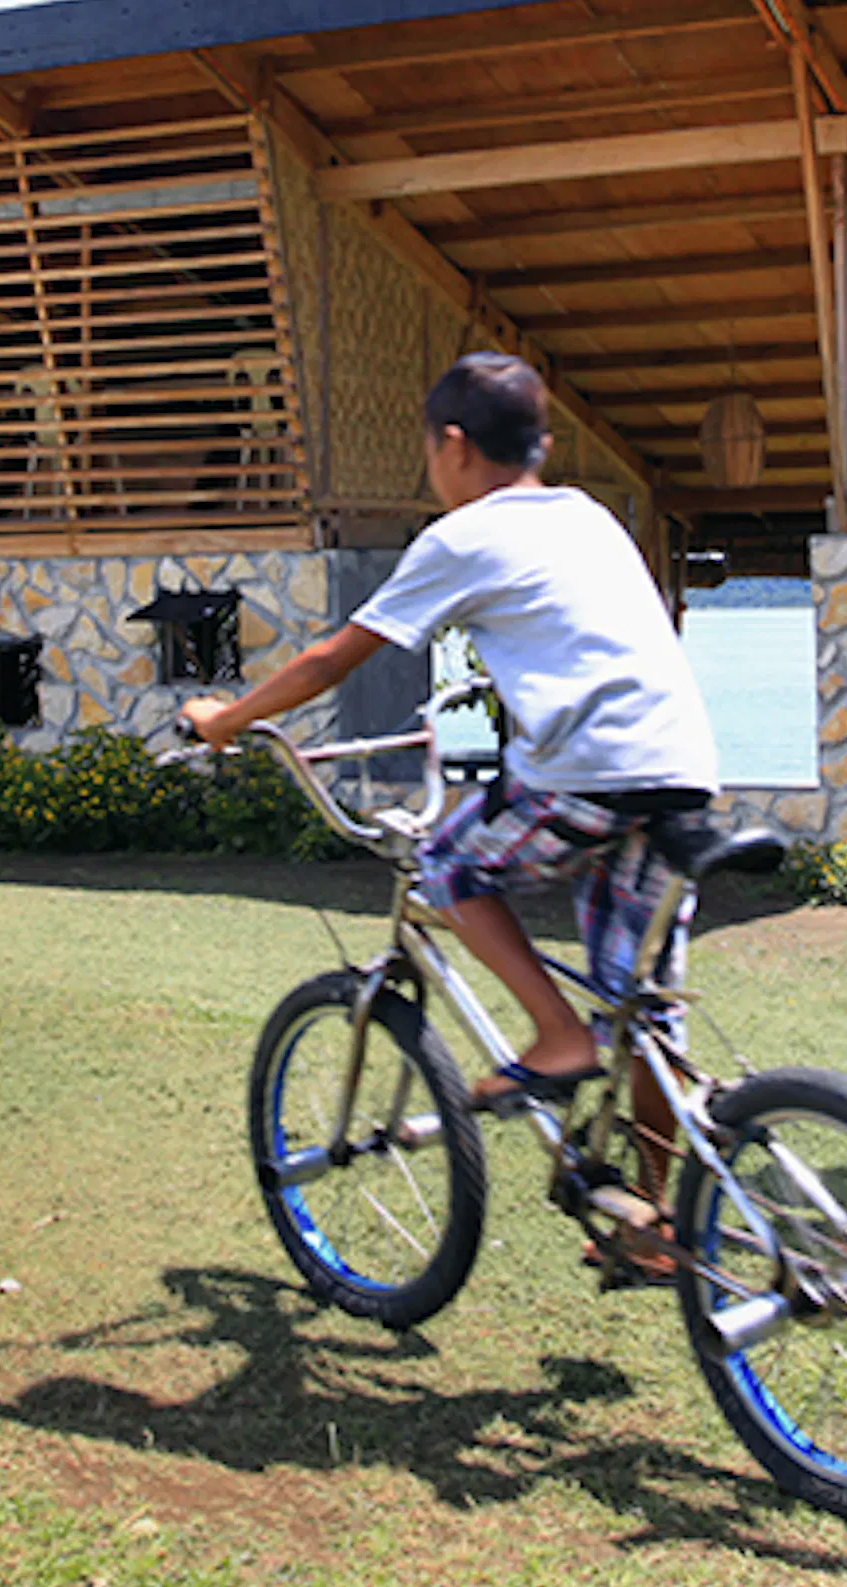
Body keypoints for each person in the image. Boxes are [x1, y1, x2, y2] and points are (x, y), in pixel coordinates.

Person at [183, 350, 720, 1125]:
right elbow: (576, 641)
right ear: (540, 445)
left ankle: (558, 1036)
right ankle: (654, 1201)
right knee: (642, 1014)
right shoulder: (587, 516)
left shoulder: (464, 536)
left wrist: (225, 720)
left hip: (589, 773)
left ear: (456, 445)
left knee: (443, 864)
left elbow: (333, 659)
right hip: (681, 769)